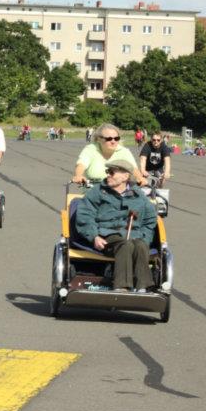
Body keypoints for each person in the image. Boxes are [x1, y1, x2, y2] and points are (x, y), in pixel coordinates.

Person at [75, 157, 157, 292]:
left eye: (112, 172)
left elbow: (150, 220)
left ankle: (144, 287)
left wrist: (145, 238)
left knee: (141, 245)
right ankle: (122, 287)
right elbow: (85, 215)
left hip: (134, 234)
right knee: (125, 244)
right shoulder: (97, 191)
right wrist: (94, 236)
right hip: (107, 235)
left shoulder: (139, 195)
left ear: (125, 176)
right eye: (108, 172)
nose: (108, 175)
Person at [72, 123, 146, 186]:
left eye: (116, 138)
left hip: (118, 191)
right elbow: (81, 164)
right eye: (108, 139)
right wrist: (78, 175)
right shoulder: (91, 149)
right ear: (99, 139)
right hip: (93, 190)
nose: (113, 141)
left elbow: (133, 168)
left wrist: (139, 178)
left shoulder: (124, 151)